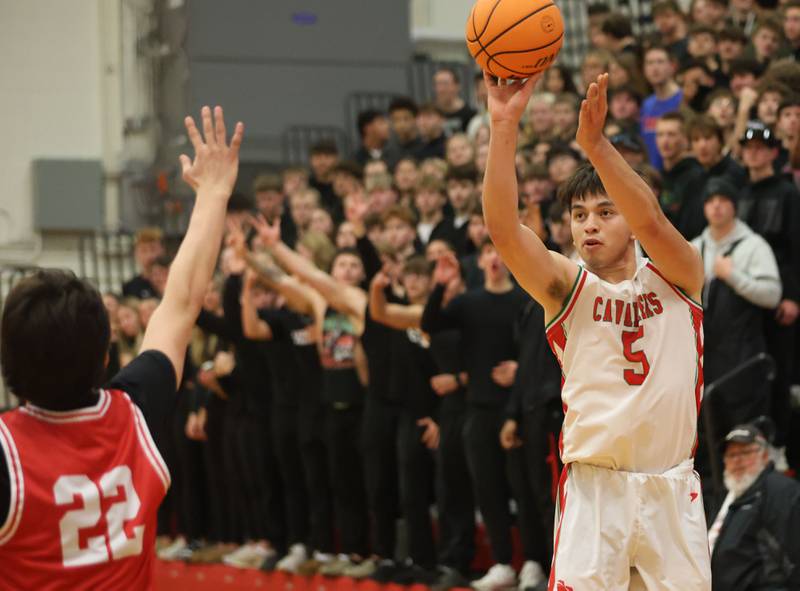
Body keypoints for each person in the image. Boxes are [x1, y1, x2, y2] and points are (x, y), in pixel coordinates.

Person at [483, 69, 710, 589]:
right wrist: (503, 127)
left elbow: (651, 222)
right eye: (579, 214)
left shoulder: (680, 273)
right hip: (595, 489)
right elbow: (503, 229)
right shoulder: (565, 285)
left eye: (606, 212)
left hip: (671, 489)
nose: (589, 224)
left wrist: (596, 144)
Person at [0, 106, 244, 588]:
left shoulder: (7, 450)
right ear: (106, 356)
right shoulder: (138, 413)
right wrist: (214, 195)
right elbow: (183, 300)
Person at [691, 178, 781, 480]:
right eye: (710, 200)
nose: (716, 205)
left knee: (745, 441)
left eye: (723, 199)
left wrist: (733, 276)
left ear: (734, 205)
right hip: (705, 365)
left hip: (744, 364)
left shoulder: (754, 246)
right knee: (707, 449)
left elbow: (772, 295)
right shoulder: (694, 247)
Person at [707, 423, 800, 590]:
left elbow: (793, 558)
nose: (737, 460)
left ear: (764, 456)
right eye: (731, 455)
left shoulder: (780, 491)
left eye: (745, 452)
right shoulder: (725, 496)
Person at [641, 45, 684, 170]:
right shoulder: (646, 104)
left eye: (660, 62)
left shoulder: (683, 99)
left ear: (672, 66)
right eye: (650, 63)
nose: (655, 68)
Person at [123, 227, 165, 299]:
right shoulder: (130, 287)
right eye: (143, 250)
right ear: (136, 254)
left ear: (162, 250)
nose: (149, 256)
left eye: (153, 249)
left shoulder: (174, 280)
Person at [433, 67, 476, 135]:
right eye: (438, 84)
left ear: (457, 86)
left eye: (445, 84)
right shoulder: (431, 113)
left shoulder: (470, 115)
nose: (441, 89)